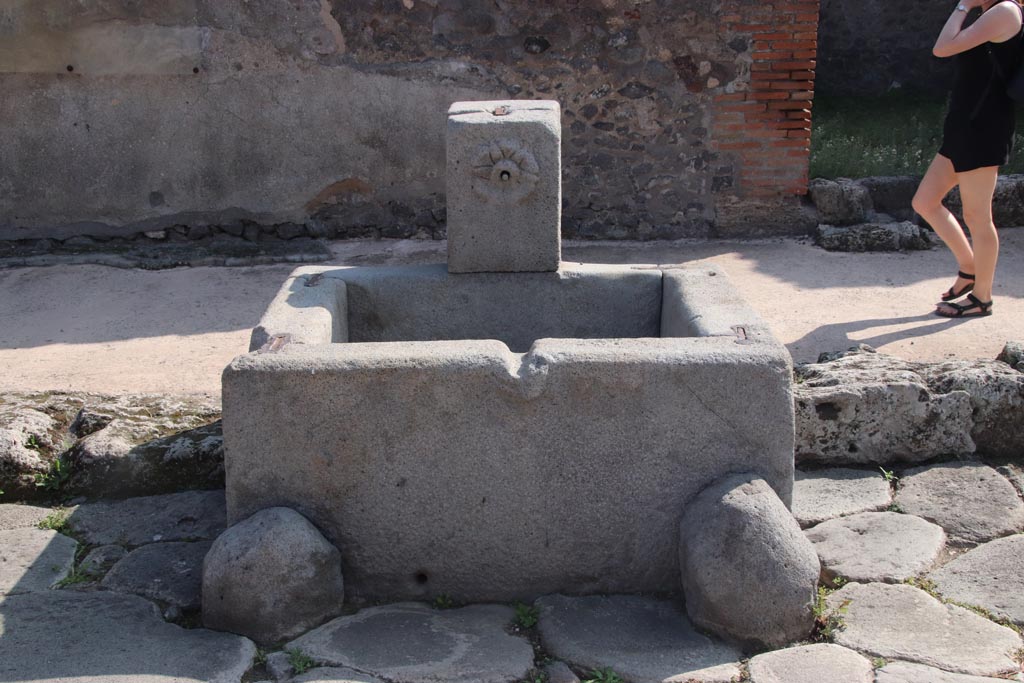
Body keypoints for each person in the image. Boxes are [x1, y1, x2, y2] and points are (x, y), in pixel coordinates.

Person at [912, 0, 1023, 317]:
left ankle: (982, 298)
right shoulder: (989, 12)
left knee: (978, 217)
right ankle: (969, 267)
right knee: (925, 202)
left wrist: (963, 5)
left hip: (984, 130)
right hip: (965, 126)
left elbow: (942, 48)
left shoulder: (1005, 11)